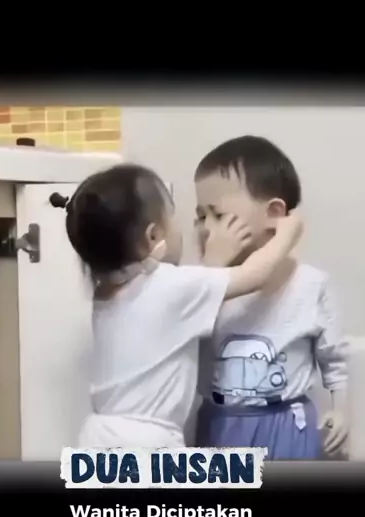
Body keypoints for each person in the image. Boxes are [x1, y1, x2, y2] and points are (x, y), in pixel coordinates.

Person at [50, 163, 303, 448]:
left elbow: (171, 311)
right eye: (173, 216)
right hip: (147, 444)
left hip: (97, 437)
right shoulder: (168, 285)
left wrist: (213, 264)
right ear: (153, 237)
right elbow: (253, 276)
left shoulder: (105, 292)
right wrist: (288, 232)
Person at [193, 135, 349, 459]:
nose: (207, 228)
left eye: (217, 215)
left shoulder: (311, 285)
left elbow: (334, 357)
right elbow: (180, 345)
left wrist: (341, 408)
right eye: (200, 217)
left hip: (287, 426)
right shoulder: (200, 286)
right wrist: (209, 272)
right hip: (220, 425)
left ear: (275, 213)